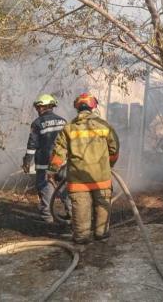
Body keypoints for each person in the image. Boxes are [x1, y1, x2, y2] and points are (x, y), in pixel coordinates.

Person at [49, 93, 119, 244]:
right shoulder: (105, 126)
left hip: (78, 179)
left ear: (77, 107)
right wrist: (109, 166)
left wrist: (52, 171)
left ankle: (81, 238)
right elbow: (114, 150)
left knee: (81, 209)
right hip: (101, 178)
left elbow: (58, 153)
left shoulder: (68, 129)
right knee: (102, 206)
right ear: (93, 106)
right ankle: (101, 233)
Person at [22, 94, 68, 223]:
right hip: (62, 162)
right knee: (64, 187)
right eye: (37, 107)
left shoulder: (37, 123)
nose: (38, 109)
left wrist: (27, 162)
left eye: (40, 107)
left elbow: (32, 145)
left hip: (44, 163)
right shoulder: (63, 121)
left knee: (45, 187)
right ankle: (71, 214)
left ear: (46, 107)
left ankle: (47, 218)